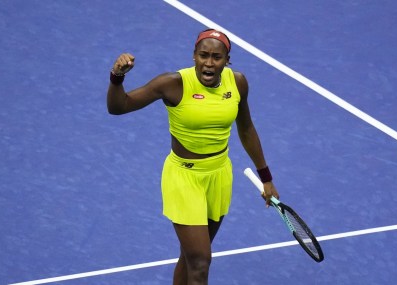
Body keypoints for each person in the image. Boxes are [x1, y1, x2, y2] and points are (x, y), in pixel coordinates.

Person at [107, 29, 279, 285]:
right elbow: (118, 107)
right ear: (194, 56)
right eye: (203, 55)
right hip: (184, 178)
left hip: (219, 176)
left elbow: (246, 128)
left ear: (227, 60)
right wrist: (117, 77)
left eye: (217, 57)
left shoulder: (238, 83)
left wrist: (266, 178)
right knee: (200, 262)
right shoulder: (172, 84)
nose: (209, 63)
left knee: (189, 257)